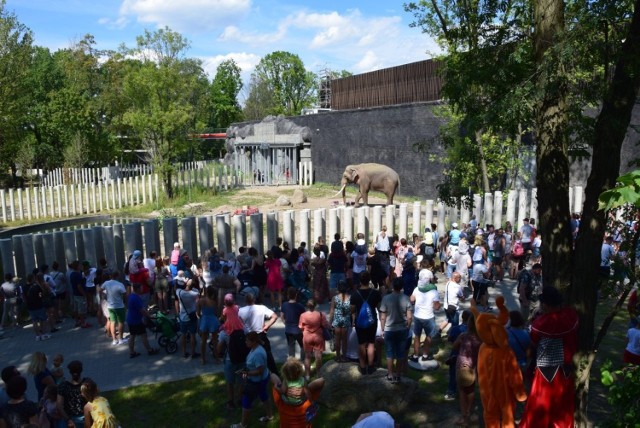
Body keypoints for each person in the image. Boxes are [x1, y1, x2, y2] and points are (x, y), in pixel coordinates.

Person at [520, 286, 579, 428]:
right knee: (562, 406)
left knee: (540, 404)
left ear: (546, 305)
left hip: (545, 371)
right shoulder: (571, 316)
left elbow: (533, 342)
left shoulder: (541, 323)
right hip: (565, 369)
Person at [231, 332, 273, 428]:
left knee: (246, 401)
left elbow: (260, 371)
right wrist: (245, 370)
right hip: (260, 380)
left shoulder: (258, 354)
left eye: (247, 341)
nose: (245, 342)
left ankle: (243, 424)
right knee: (264, 397)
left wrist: (246, 373)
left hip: (256, 381)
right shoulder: (254, 349)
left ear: (254, 341)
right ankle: (270, 415)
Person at [270, 358, 325, 428]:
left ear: (285, 373)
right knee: (307, 390)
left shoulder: (281, 404)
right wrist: (305, 394)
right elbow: (322, 381)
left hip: (287, 402)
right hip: (300, 402)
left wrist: (278, 388)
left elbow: (273, 376)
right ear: (299, 371)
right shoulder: (302, 381)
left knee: (280, 388)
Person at [379, 278, 413, 383]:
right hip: (402, 329)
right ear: (402, 287)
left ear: (393, 286)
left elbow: (383, 316)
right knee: (400, 353)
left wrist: (383, 329)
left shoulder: (386, 298)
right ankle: (398, 375)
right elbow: (410, 317)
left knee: (389, 353)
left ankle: (390, 374)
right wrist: (408, 326)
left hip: (389, 329)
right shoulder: (406, 298)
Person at [238, 292, 279, 375]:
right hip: (261, 335)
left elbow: (240, 324)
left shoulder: (240, 311)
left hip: (249, 337)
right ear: (254, 299)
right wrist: (267, 325)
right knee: (268, 356)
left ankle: (250, 372)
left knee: (249, 356)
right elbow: (274, 316)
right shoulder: (262, 308)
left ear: (245, 300)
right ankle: (275, 375)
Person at [350, 271, 383, 375]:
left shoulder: (355, 294)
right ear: (369, 280)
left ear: (359, 280)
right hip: (372, 320)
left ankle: (363, 366)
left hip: (359, 321)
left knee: (361, 343)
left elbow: (352, 310)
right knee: (371, 343)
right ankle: (371, 365)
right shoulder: (375, 293)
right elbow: (379, 307)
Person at [453, 312, 481, 426]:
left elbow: (454, 346)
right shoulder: (480, 341)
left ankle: (464, 416)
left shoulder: (463, 336)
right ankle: (469, 411)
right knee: (471, 390)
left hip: (461, 367)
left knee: (462, 392)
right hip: (473, 367)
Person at [410, 269, 440, 362]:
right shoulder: (434, 291)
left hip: (417, 316)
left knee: (417, 336)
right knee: (428, 336)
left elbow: (411, 299)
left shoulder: (416, 289)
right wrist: (439, 305)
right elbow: (436, 307)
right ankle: (425, 355)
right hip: (428, 317)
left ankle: (415, 355)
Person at [125, 283, 159, 358]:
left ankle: (131, 352)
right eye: (141, 288)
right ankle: (150, 350)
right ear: (137, 289)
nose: (142, 289)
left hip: (130, 319)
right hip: (136, 320)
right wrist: (149, 316)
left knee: (132, 335)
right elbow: (142, 310)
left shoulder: (131, 296)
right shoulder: (136, 298)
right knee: (143, 335)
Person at [298, 299, 330, 379]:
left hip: (307, 336)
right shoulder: (320, 314)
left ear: (307, 306)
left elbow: (300, 327)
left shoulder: (303, 315)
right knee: (318, 356)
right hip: (318, 336)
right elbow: (325, 325)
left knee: (307, 356)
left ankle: (307, 375)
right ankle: (319, 374)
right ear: (315, 306)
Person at [444, 310, 471, 401]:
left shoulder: (455, 329)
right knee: (467, 373)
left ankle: (451, 391)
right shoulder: (473, 331)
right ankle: (466, 392)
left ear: (462, 318)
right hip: (468, 356)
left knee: (453, 373)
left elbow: (450, 339)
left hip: (455, 354)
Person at [100, 271, 128, 346]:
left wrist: (104, 297)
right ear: (117, 276)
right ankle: (121, 339)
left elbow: (100, 290)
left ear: (110, 276)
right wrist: (126, 303)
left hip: (110, 306)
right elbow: (125, 294)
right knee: (121, 322)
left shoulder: (106, 283)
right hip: (119, 306)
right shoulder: (120, 284)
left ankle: (114, 340)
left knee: (112, 322)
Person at [57, 360, 87, 428]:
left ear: (70, 371)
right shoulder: (86, 383)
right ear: (81, 370)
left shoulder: (63, 386)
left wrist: (68, 420)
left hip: (69, 418)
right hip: (85, 417)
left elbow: (59, 406)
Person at [175, 280, 199, 360]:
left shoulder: (179, 292)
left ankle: (184, 352)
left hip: (182, 317)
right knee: (192, 335)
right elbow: (197, 302)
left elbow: (177, 288)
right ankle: (193, 353)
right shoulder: (195, 293)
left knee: (183, 335)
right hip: (192, 316)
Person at [280, 287, 306, 361]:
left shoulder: (284, 305)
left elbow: (281, 316)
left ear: (288, 295)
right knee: (302, 345)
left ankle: (292, 363)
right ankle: (303, 361)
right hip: (298, 330)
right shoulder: (300, 306)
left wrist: (285, 323)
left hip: (288, 330)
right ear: (296, 295)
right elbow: (304, 318)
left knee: (291, 346)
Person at [328, 280, 351, 362]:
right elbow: (352, 310)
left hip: (337, 320)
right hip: (346, 319)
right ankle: (344, 356)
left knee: (337, 339)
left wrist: (330, 322)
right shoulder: (350, 298)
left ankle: (338, 356)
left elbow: (331, 311)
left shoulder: (335, 298)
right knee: (344, 340)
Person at [197, 285, 220, 365]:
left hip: (204, 319)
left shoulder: (200, 301)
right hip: (213, 320)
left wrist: (202, 317)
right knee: (215, 341)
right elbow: (216, 312)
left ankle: (203, 359)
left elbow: (198, 313)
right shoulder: (214, 301)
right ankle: (217, 359)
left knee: (203, 341)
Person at [26, 273, 51, 341]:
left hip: (30, 306)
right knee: (43, 320)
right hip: (39, 305)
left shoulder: (25, 286)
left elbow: (24, 296)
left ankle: (37, 335)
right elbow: (42, 294)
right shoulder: (36, 286)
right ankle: (43, 334)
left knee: (34, 321)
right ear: (33, 279)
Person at [507, 311, 532, 380]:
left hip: (509, 364)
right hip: (522, 365)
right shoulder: (526, 334)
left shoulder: (505, 333)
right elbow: (528, 352)